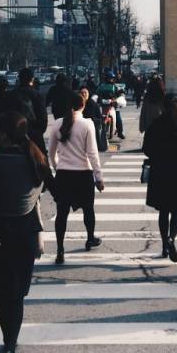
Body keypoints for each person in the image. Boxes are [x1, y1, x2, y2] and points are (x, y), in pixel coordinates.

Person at [0, 111, 54, 353]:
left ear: (3, 134)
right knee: (17, 293)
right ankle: (11, 344)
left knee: (2, 292)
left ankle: (7, 340)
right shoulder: (35, 160)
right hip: (25, 230)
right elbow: (44, 190)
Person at [48, 91, 104, 264]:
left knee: (61, 214)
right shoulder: (87, 124)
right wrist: (99, 177)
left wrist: (58, 166)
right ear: (83, 105)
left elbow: (50, 152)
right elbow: (92, 153)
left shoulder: (57, 124)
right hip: (83, 174)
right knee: (88, 209)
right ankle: (90, 238)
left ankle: (60, 249)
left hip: (64, 175)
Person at [142, 93, 177, 262]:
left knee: (163, 211)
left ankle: (165, 243)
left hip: (160, 172)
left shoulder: (156, 125)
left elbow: (147, 149)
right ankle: (172, 237)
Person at [80, 87, 107, 153]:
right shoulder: (78, 103)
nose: (83, 94)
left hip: (92, 124)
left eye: (85, 92)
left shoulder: (91, 103)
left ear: (88, 94)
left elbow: (96, 116)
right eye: (82, 93)